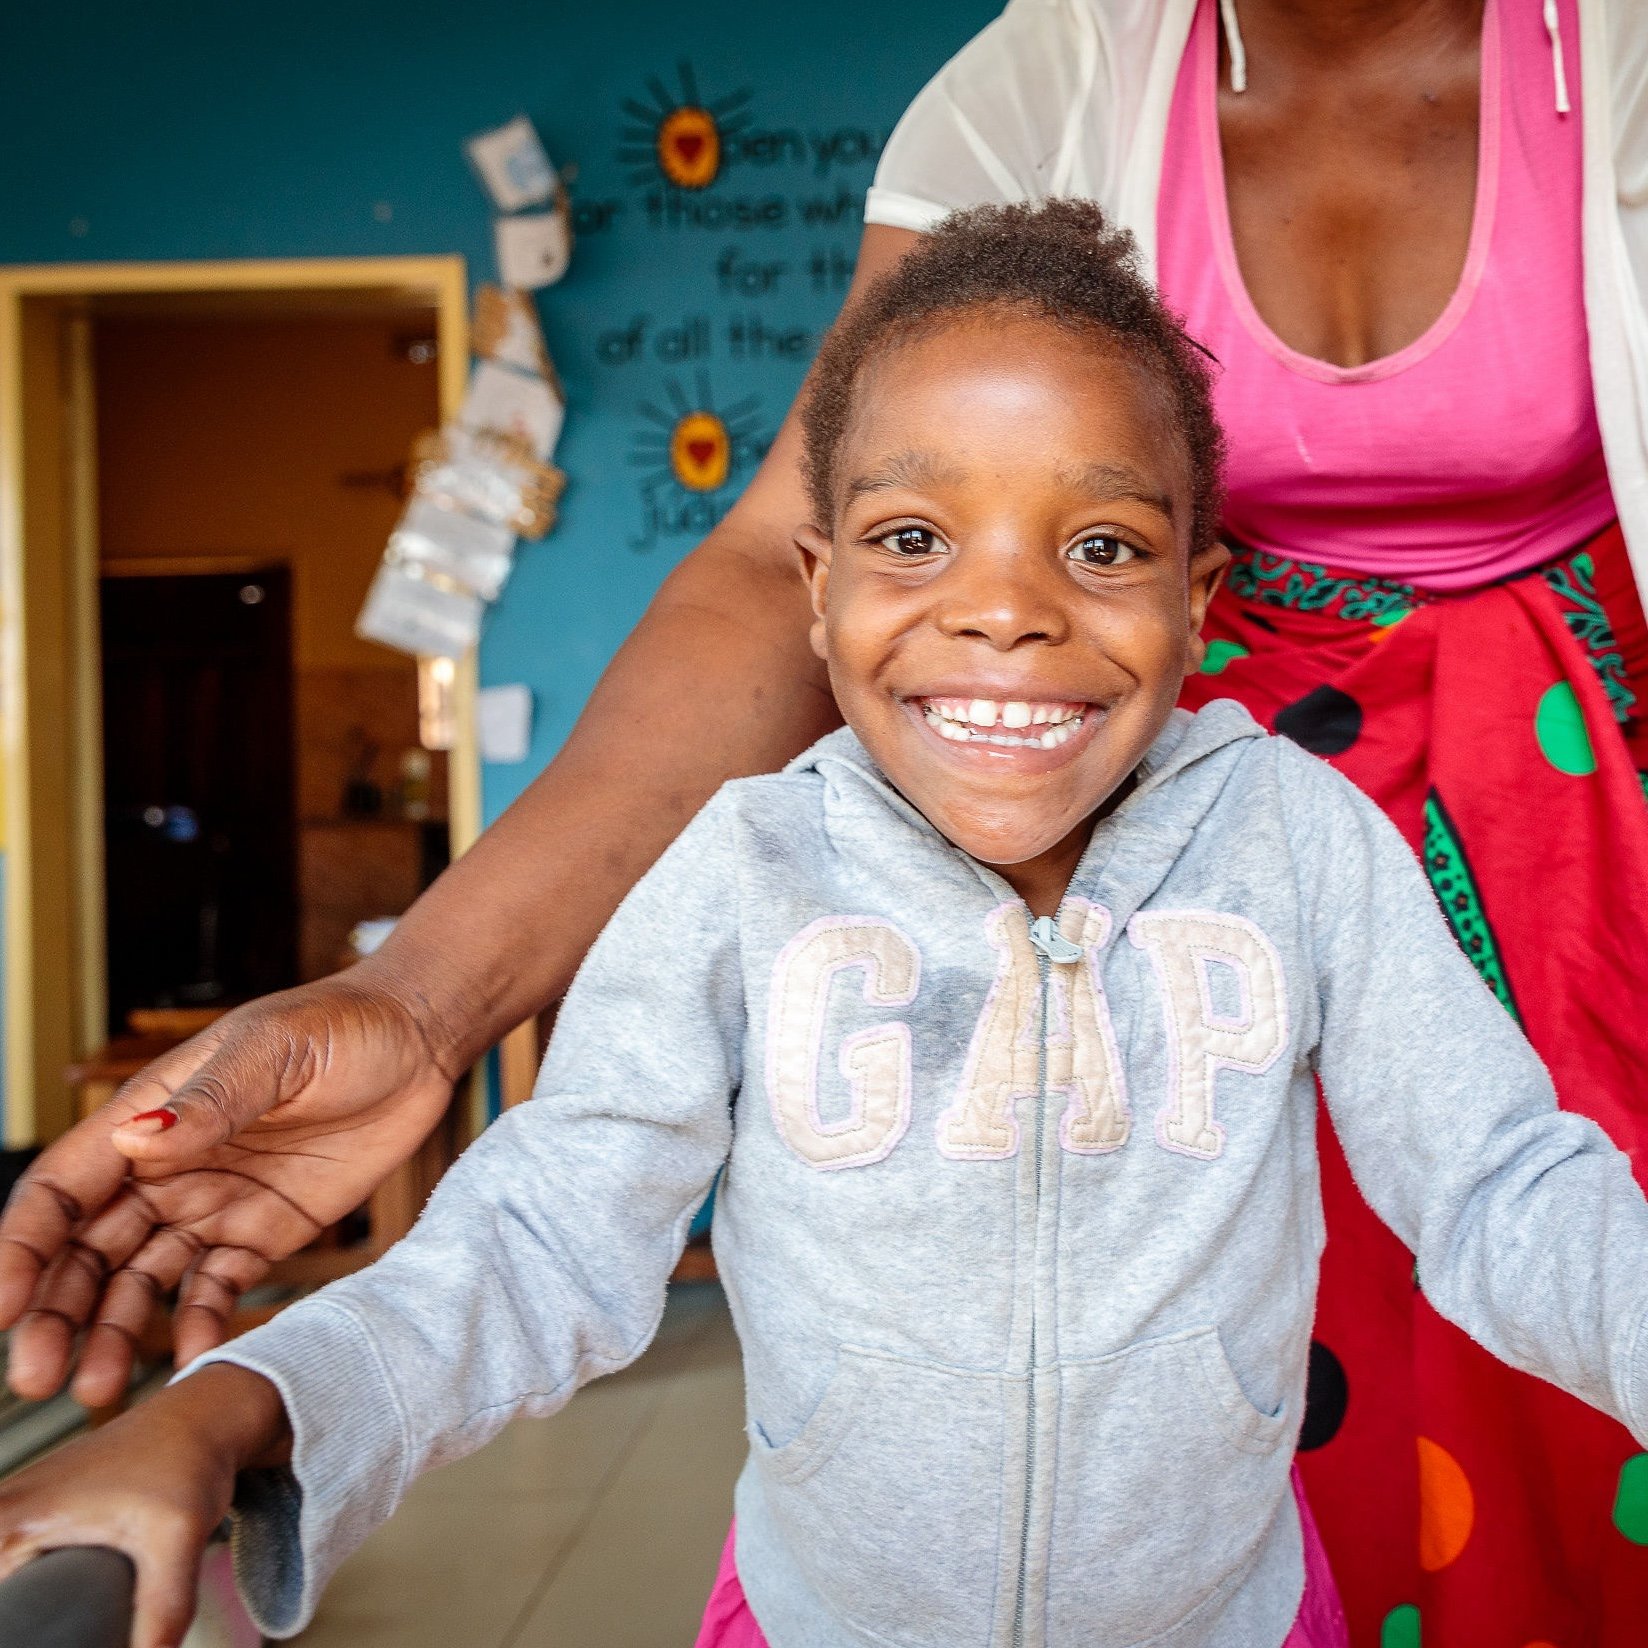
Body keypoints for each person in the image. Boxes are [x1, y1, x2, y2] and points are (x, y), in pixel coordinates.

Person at [7, 0, 1648, 1641]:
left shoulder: (1297, 851)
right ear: (818, 580)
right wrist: (219, 1412)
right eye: (918, 537)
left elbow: (1508, 1191)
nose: (1004, 614)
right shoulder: (745, 876)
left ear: (1199, 594)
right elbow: (541, 1236)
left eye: (1100, 548)